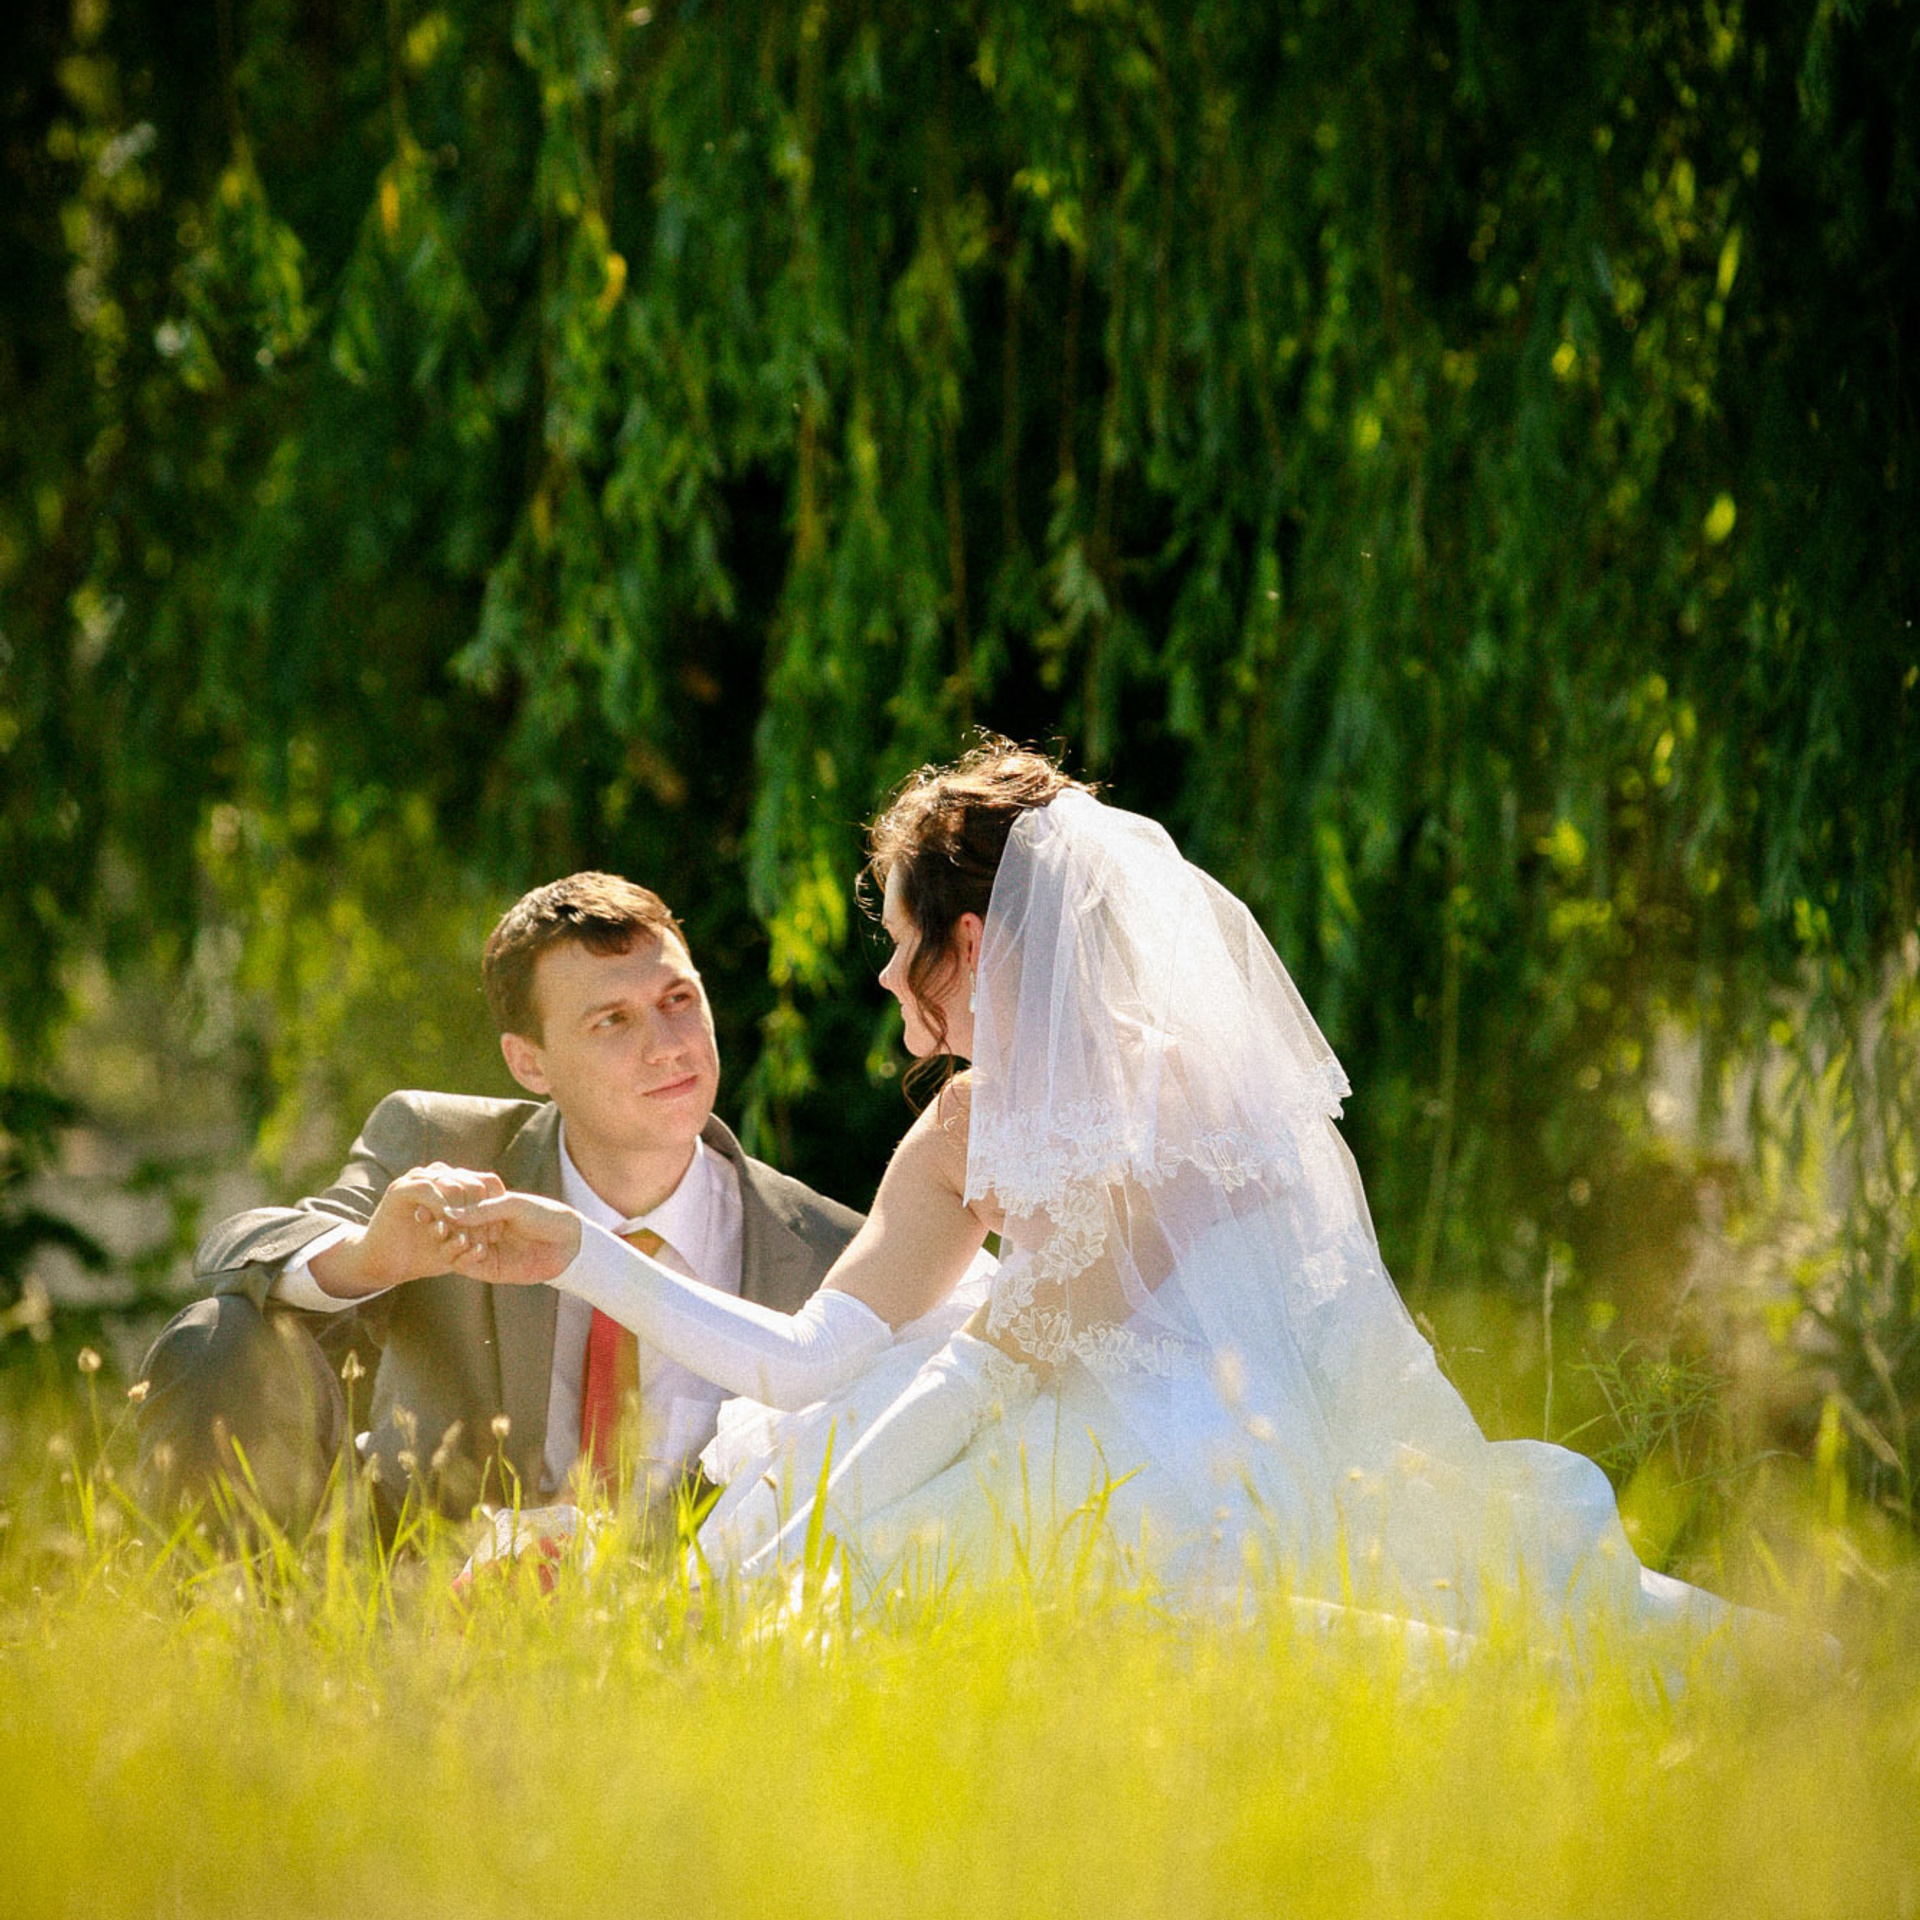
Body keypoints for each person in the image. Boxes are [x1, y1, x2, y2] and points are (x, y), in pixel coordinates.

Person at [428, 749, 1743, 1648]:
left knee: (941, 1482)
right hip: (1063, 1420)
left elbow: (995, 1378)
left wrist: (770, 1571)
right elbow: (802, 1361)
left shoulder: (1180, 1101)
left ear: (976, 946)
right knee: (893, 1387)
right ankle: (700, 1612)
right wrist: (576, 1255)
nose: (885, 983)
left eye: (899, 948)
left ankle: (703, 1618)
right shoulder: (961, 1128)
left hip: (1234, 1454)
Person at [135, 872, 863, 1535]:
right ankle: (211, 1643)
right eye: (612, 1021)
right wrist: (368, 1258)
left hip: (695, 1626)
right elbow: (237, 1251)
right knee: (218, 1332)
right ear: (529, 1062)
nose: (669, 1046)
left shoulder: (829, 1252)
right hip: (420, 1593)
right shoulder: (441, 1146)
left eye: (678, 1001)